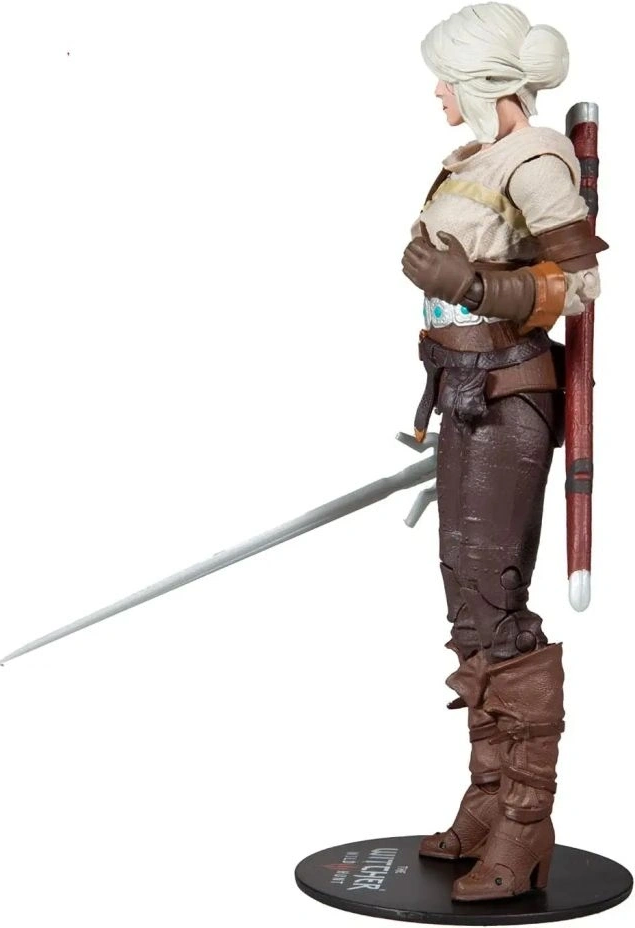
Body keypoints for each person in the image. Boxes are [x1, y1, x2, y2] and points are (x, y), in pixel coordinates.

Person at [401, 2, 607, 903]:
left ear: (483, 83)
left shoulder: (536, 160)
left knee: (493, 605)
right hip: (460, 392)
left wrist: (474, 284)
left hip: (507, 395)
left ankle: (526, 823)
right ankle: (489, 797)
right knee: (468, 601)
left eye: (447, 79)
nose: (438, 93)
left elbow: (580, 284)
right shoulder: (477, 157)